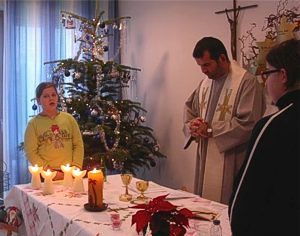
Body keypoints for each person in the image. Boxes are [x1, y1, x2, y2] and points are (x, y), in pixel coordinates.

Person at [229, 39, 300, 235]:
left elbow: (245, 199)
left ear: (283, 75)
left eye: (267, 73)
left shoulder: (274, 125)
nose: (265, 81)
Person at [183, 37, 266, 204]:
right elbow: (190, 109)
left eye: (206, 65)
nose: (203, 71)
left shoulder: (246, 82)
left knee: (227, 207)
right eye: (200, 66)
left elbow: (249, 123)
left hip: (232, 158)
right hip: (206, 157)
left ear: (221, 58)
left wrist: (211, 129)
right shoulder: (205, 83)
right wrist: (192, 126)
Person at [24, 82, 84, 180]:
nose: (51, 98)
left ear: (57, 97)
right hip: (47, 174)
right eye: (46, 96)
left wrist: (76, 167)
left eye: (53, 95)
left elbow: (78, 144)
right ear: (39, 101)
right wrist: (50, 172)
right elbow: (31, 152)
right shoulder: (33, 124)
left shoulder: (69, 119)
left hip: (70, 172)